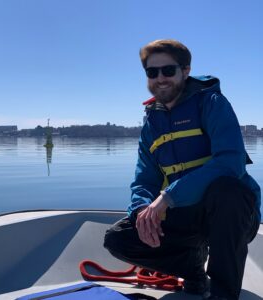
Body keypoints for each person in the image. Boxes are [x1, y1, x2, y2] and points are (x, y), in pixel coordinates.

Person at [104, 39, 261, 300]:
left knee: (228, 190)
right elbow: (143, 181)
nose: (160, 78)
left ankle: (223, 293)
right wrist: (142, 211)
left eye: (168, 70)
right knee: (119, 238)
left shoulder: (211, 103)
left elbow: (230, 163)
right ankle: (194, 271)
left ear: (185, 71)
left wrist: (167, 197)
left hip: (232, 216)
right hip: (186, 218)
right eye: (152, 72)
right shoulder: (151, 126)